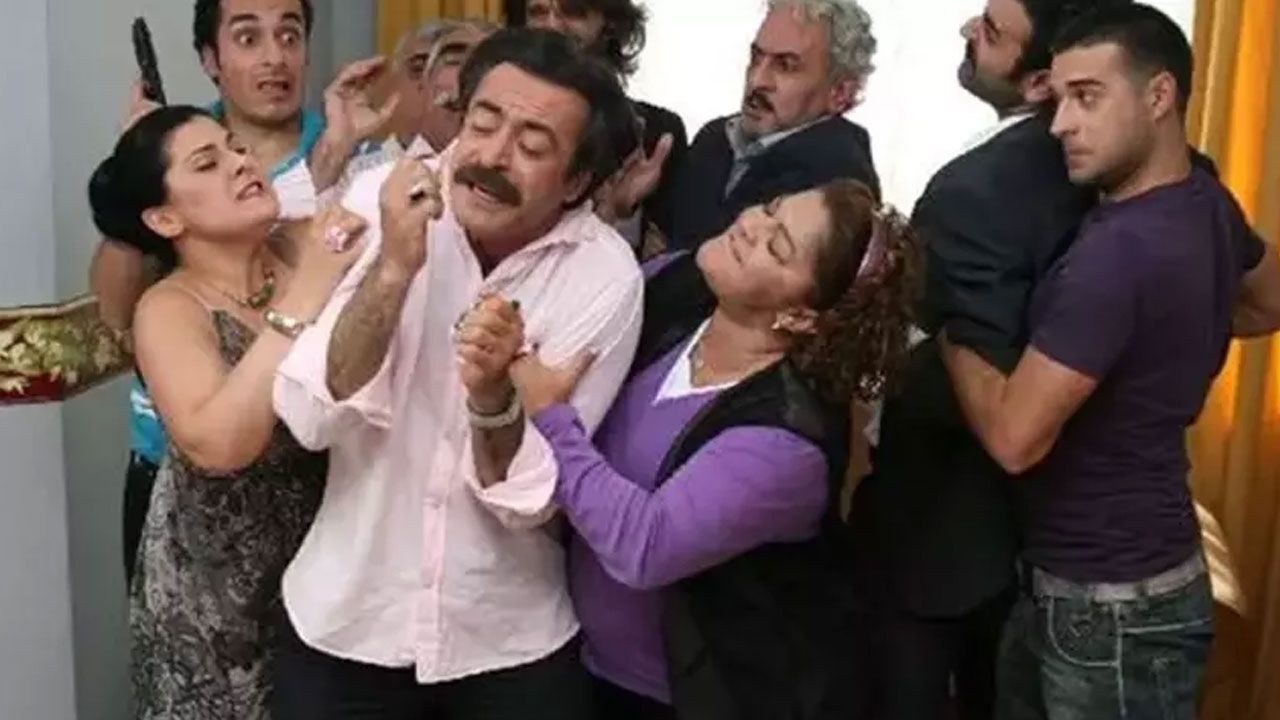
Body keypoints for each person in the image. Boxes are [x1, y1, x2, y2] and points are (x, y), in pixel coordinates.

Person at [269, 29, 644, 719]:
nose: (493, 157)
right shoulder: (381, 196)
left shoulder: (604, 275)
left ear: (577, 183)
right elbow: (312, 417)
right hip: (347, 619)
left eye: (533, 146)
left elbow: (528, 501)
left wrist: (493, 394)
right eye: (483, 122)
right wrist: (393, 271)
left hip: (506, 641)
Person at [940, 5, 1280, 718]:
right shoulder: (1203, 201)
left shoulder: (1116, 257)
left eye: (1087, 97)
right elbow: (1267, 300)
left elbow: (1014, 439)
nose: (1060, 124)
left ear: (1159, 96)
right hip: (1119, 577)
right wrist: (1160, 334)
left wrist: (950, 333)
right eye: (1059, 97)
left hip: (1108, 606)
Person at [508, 179, 920, 719]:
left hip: (684, 696)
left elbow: (644, 546)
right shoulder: (676, 285)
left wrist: (549, 415)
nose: (750, 225)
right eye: (770, 208)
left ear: (800, 317)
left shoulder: (786, 441)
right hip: (575, 652)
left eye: (777, 246)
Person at [847, 1, 1104, 717]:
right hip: (1048, 536)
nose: (967, 30)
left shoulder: (977, 187)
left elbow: (945, 359)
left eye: (991, 32)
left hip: (944, 527)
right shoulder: (1136, 167)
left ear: (1041, 82)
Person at [93, 0, 391, 586]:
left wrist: (336, 153)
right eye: (249, 38)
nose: (275, 57)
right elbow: (115, 311)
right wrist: (134, 176)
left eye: (290, 35)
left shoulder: (356, 151)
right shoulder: (176, 145)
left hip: (324, 493)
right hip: (186, 488)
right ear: (211, 58)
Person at [87, 105, 365, 718]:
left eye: (237, 148)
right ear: (165, 218)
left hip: (325, 573)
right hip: (210, 601)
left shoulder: (302, 243)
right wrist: (303, 298)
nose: (240, 163)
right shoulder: (169, 308)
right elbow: (217, 444)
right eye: (207, 163)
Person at [666, 0, 880, 253]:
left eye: (786, 66)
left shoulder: (835, 186)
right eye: (756, 58)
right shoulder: (715, 138)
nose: (757, 80)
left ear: (840, 93)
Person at [523, 0, 688, 251]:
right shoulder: (497, 120)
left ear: (611, 25)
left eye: (573, 12)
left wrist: (620, 213)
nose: (552, 26)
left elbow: (666, 263)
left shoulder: (658, 134)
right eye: (538, 12)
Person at [381, 19, 495, 160]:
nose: (465, 77)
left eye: (485, 66)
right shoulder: (368, 170)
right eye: (455, 62)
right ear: (426, 82)